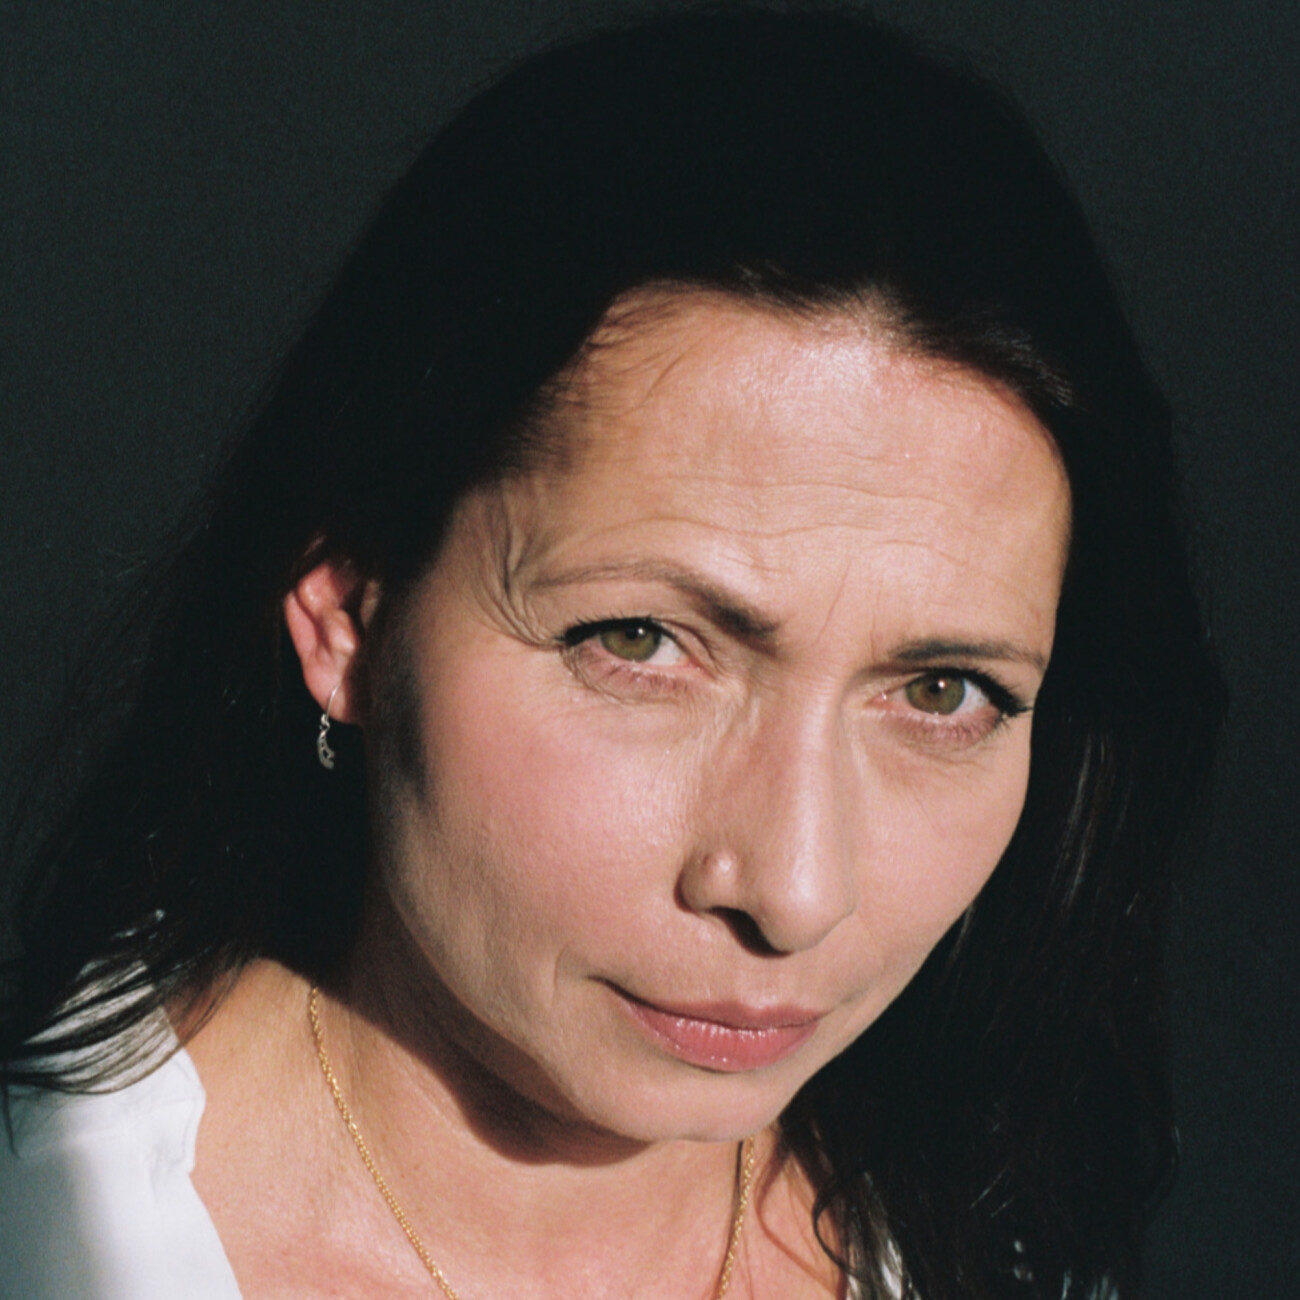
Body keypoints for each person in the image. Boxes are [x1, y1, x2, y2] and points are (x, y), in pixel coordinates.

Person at [0, 8, 1223, 1299]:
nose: (795, 891)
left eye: (942, 691)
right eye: (640, 644)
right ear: (350, 618)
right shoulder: (56, 1241)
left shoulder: (991, 1241)